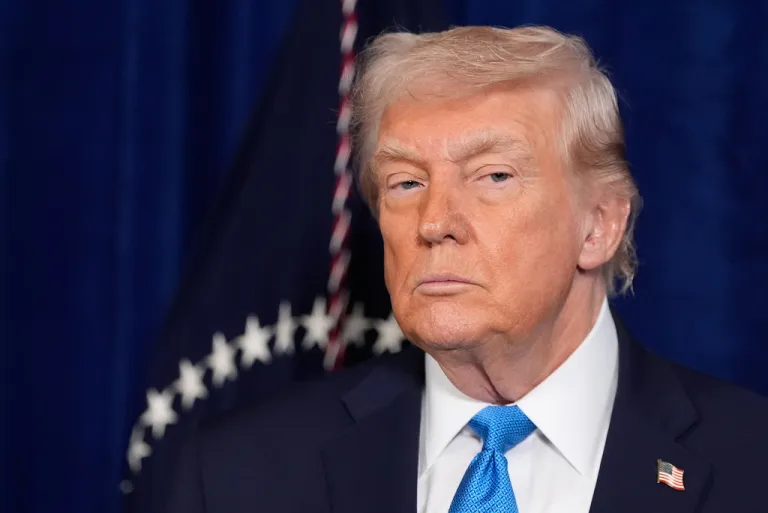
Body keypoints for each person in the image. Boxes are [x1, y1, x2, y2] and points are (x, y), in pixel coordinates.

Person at [167, 25, 768, 513]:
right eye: (406, 182)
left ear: (599, 227)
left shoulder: (752, 464)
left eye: (493, 176)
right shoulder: (233, 478)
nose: (434, 222)